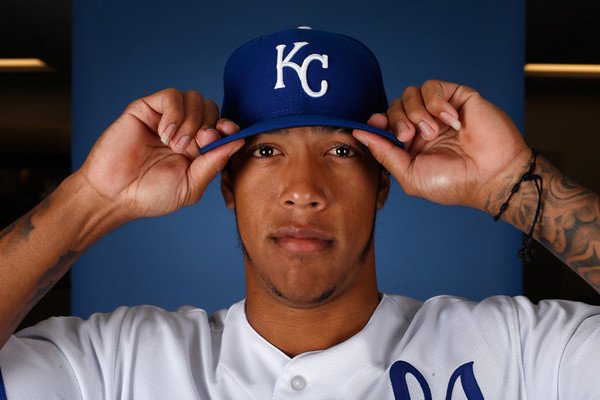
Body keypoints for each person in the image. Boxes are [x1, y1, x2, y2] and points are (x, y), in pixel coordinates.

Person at [0, 27, 598, 399]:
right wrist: (93, 198)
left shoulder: (518, 352)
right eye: (266, 152)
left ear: (382, 183)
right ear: (227, 185)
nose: (303, 190)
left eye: (340, 151)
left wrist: (515, 184)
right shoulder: (117, 365)